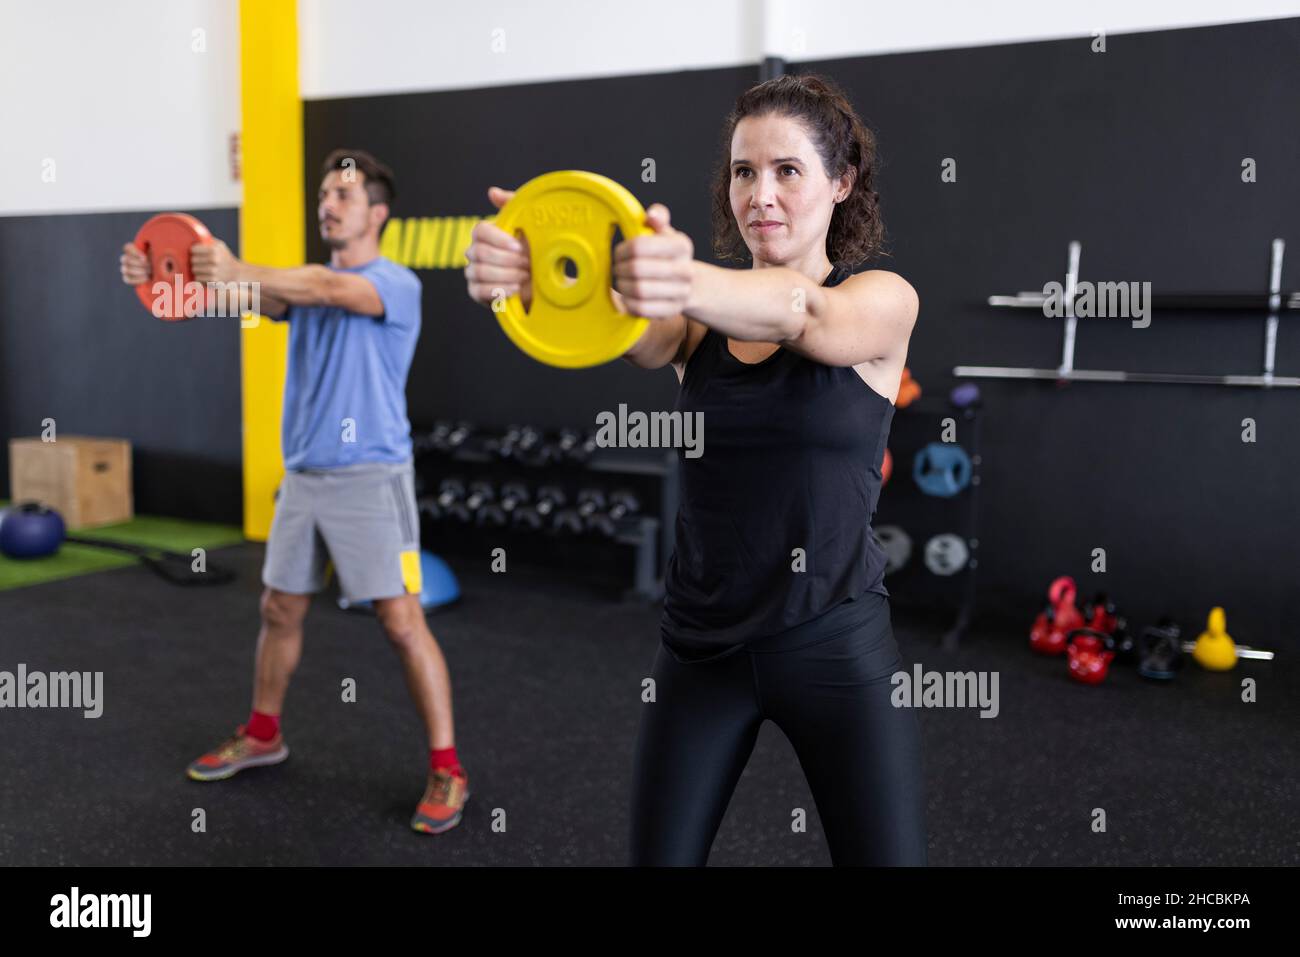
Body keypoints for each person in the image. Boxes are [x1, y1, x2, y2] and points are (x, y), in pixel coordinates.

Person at [465, 73, 925, 865]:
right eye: (745, 171)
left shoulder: (881, 298)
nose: (761, 194)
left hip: (832, 639)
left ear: (842, 182)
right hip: (700, 646)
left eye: (788, 170)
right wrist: (526, 277)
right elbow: (623, 327)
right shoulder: (693, 325)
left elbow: (800, 311)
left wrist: (678, 276)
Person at [119, 149, 469, 834]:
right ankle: (262, 733)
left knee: (401, 622)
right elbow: (228, 296)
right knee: (279, 608)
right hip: (304, 478)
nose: (328, 204)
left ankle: (448, 766)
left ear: (378, 212)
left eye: (343, 193)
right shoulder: (294, 288)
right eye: (323, 194)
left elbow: (325, 289)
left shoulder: (394, 285)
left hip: (374, 479)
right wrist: (159, 272)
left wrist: (241, 266)